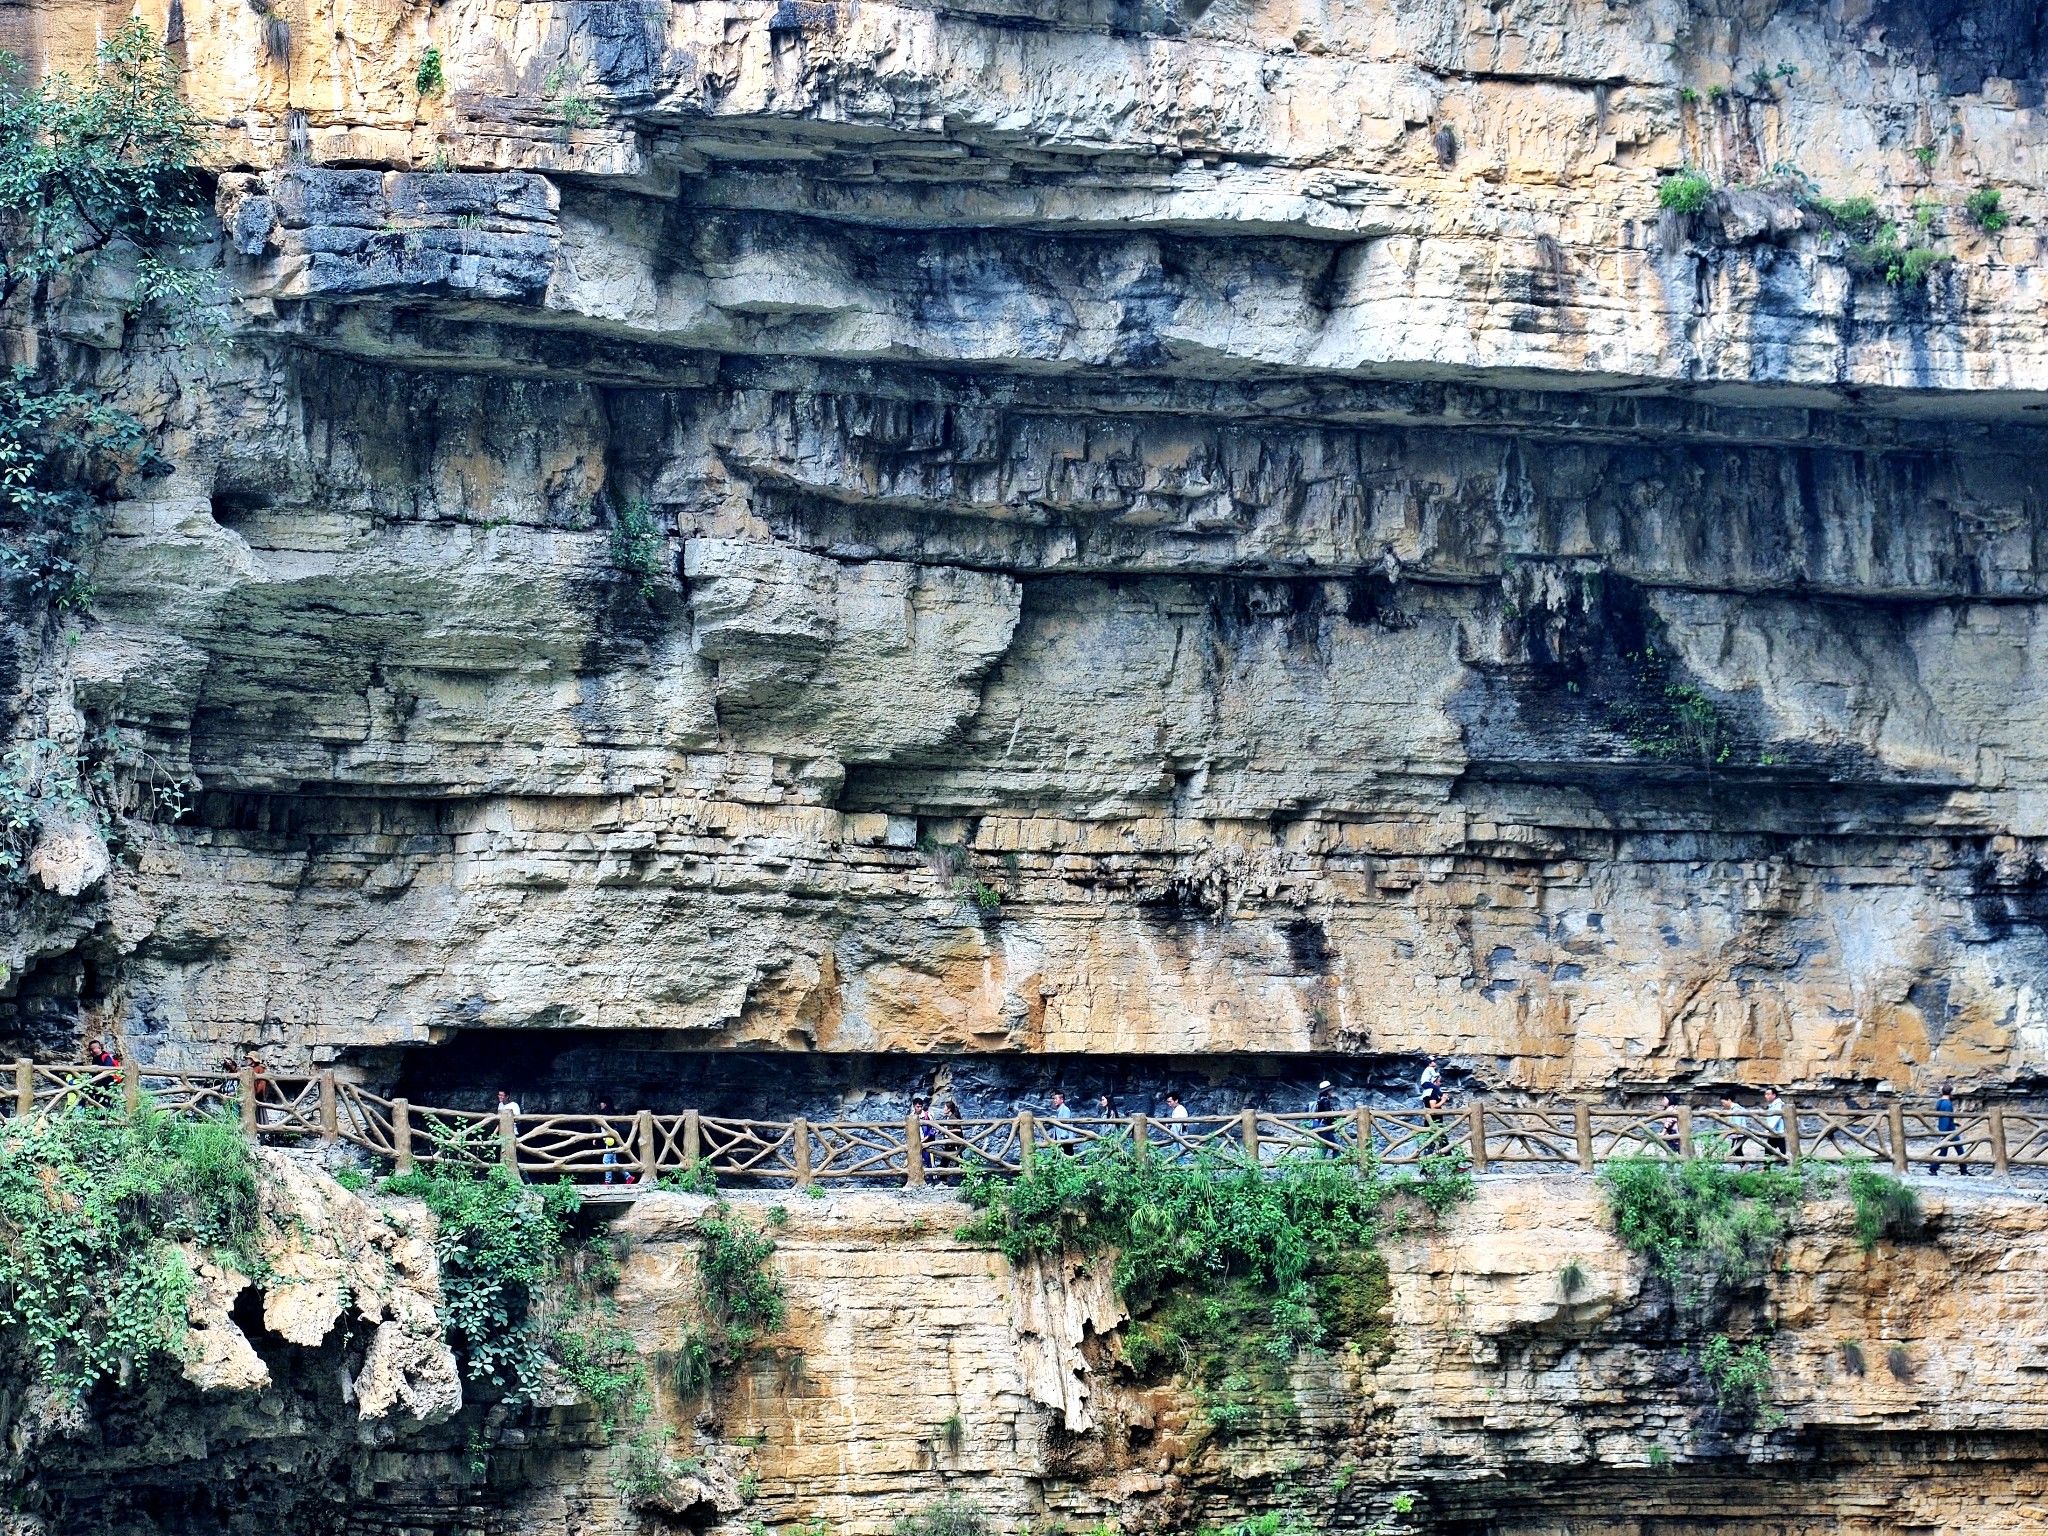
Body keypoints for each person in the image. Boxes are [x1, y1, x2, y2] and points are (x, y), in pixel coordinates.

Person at [1930, 1081, 1971, 1176]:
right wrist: (1944, 1133)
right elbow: (1946, 1118)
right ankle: (1963, 1170)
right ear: (1950, 1092)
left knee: (1945, 1151)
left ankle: (1933, 1169)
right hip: (1949, 1131)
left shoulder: (1939, 1102)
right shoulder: (1947, 1104)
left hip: (1946, 1129)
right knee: (1960, 1150)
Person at [597, 1098, 632, 1186]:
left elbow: (613, 1127)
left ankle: (608, 1181)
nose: (600, 1105)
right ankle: (628, 1177)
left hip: (611, 1141)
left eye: (601, 1103)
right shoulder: (606, 1113)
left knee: (606, 1161)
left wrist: (611, 1136)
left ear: (605, 1104)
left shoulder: (609, 1114)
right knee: (613, 1162)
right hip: (609, 1140)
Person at [1311, 1079, 1338, 1150]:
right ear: (1327, 1091)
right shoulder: (1325, 1101)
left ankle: (1318, 1160)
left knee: (1326, 1146)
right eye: (1331, 1090)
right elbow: (1328, 1115)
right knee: (1335, 1147)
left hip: (1319, 1125)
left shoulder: (1320, 1100)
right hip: (1324, 1126)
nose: (1332, 1091)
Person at [1762, 1088, 1787, 1159]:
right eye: (1765, 1094)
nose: (1766, 1096)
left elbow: (1777, 1117)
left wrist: (1769, 1128)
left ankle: (1789, 1165)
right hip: (1773, 1131)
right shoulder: (1772, 1105)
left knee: (1783, 1150)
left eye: (1768, 1094)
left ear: (1774, 1095)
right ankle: (1766, 1167)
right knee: (1768, 1149)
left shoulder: (1778, 1104)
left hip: (1779, 1131)